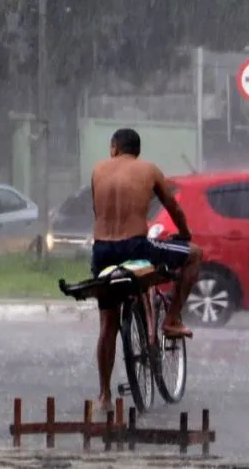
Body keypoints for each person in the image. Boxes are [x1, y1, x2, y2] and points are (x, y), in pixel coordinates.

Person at [89, 128, 202, 411]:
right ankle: (172, 318)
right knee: (195, 255)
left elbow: (98, 211)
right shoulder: (149, 170)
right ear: (137, 151)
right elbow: (173, 207)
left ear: (114, 147)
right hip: (136, 248)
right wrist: (185, 232)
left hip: (102, 251)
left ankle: (103, 395)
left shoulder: (98, 170)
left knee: (108, 324)